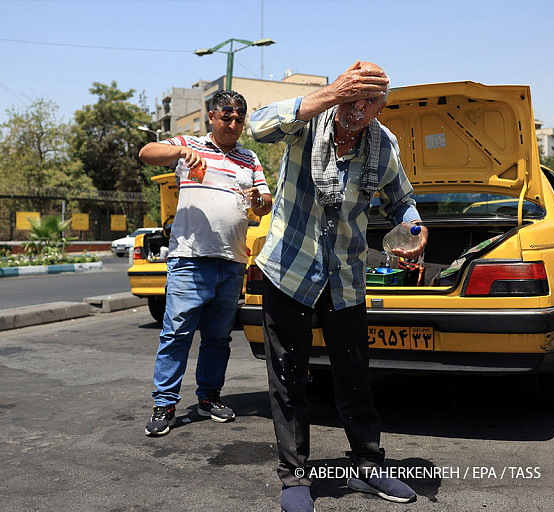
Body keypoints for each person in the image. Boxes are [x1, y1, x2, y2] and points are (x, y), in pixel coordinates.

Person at [249, 61, 427, 511]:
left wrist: (414, 227)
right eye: (352, 97)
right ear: (340, 93)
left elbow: (400, 199)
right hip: (289, 270)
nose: (357, 109)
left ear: (379, 110)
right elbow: (258, 125)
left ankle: (368, 467)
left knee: (354, 375)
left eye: (368, 103)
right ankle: (294, 476)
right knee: (289, 376)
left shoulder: (383, 144)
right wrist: (327, 95)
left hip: (345, 276)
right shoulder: (307, 124)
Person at [138, 90, 273, 437]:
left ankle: (209, 397)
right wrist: (180, 150)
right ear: (211, 116)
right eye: (226, 116)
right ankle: (165, 403)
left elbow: (263, 206)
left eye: (239, 119)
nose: (232, 124)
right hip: (189, 260)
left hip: (231, 261)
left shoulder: (250, 159)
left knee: (217, 338)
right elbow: (146, 153)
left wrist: (261, 199)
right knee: (177, 334)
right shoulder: (190, 146)